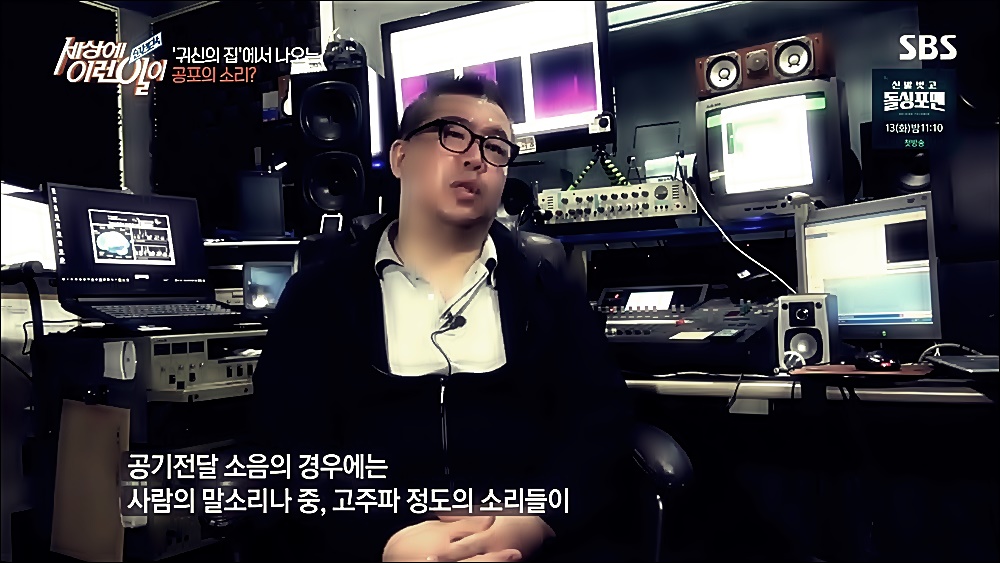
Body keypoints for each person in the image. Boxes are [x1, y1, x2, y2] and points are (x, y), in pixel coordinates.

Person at [247, 75, 635, 562]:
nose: (476, 157)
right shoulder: (318, 296)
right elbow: (286, 448)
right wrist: (384, 540)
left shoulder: (548, 291)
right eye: (453, 134)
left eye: (496, 147)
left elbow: (599, 425)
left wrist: (536, 523)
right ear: (400, 157)